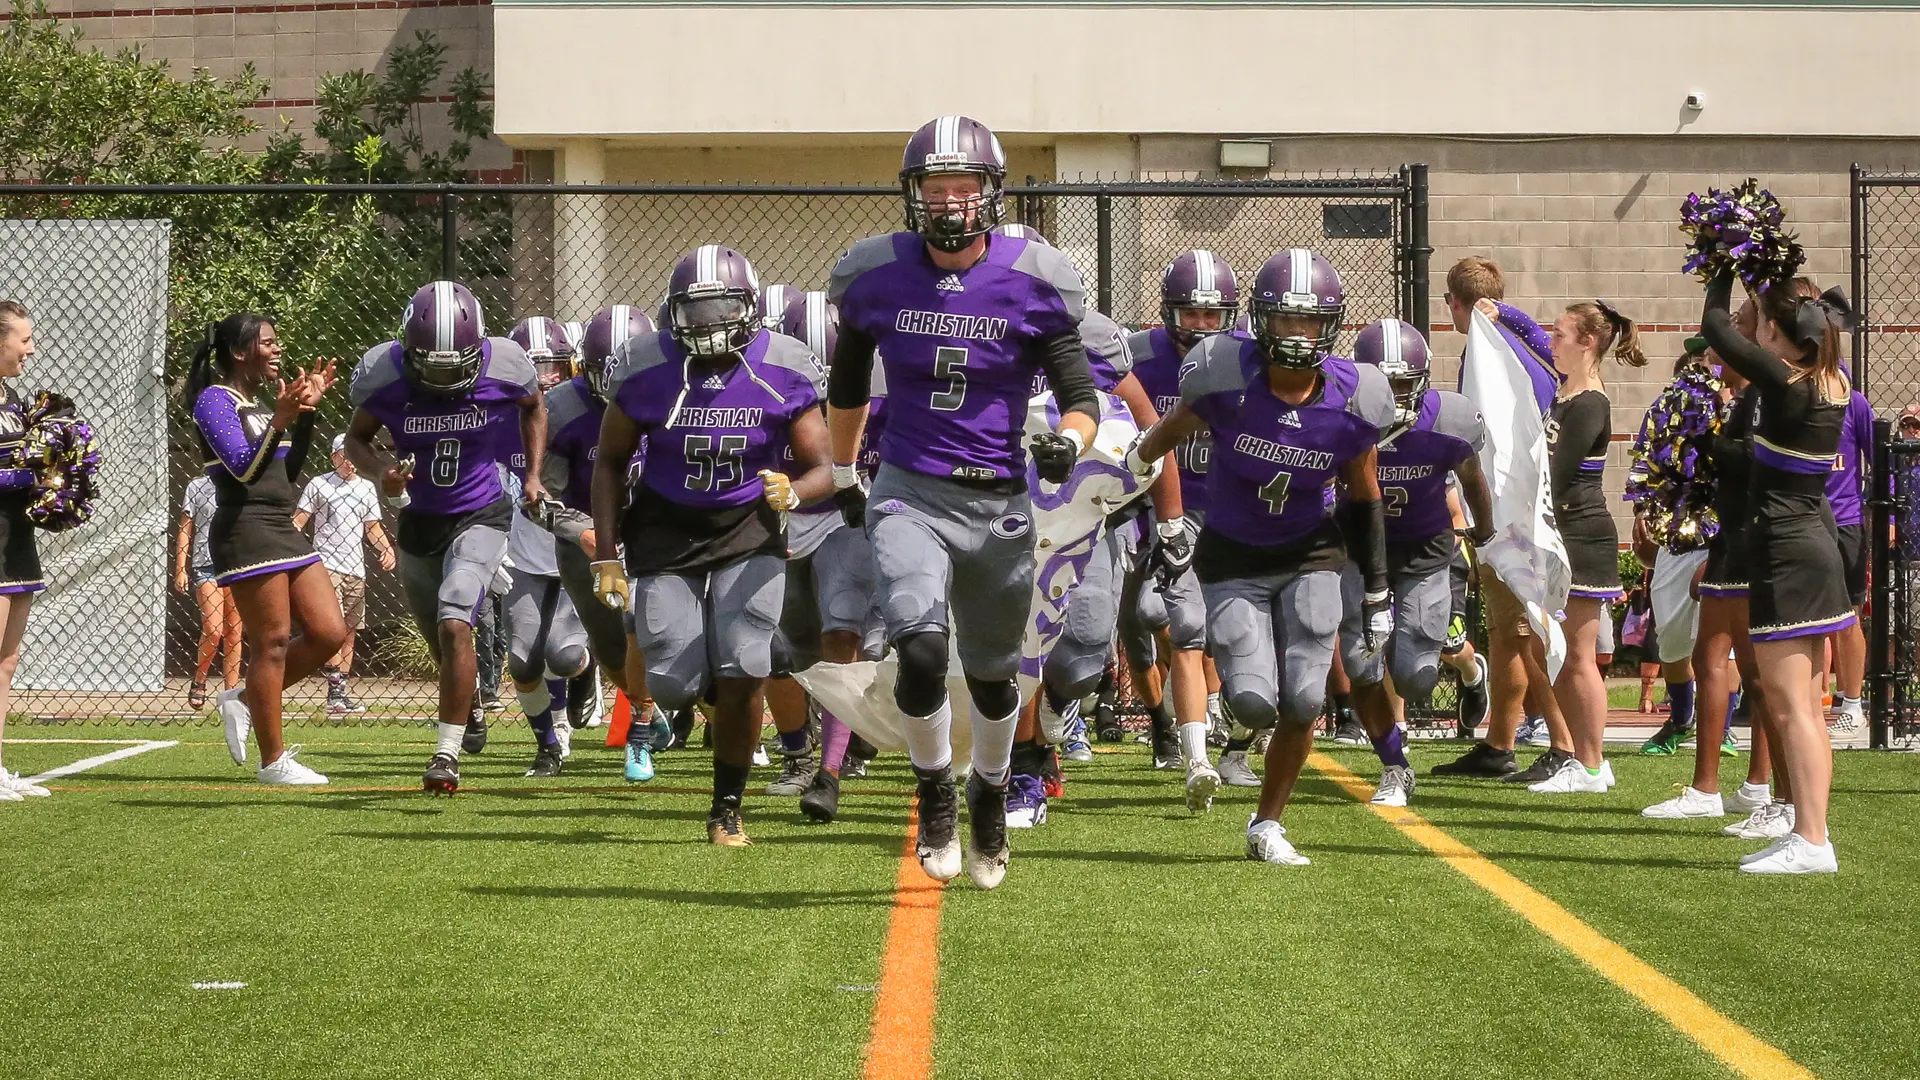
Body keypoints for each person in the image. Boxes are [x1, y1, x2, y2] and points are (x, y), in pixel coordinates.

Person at [826, 115, 1100, 888]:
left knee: (991, 675)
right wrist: (846, 472)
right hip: (910, 490)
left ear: (991, 195)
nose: (949, 203)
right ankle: (933, 786)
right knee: (917, 646)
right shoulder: (877, 275)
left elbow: (1080, 397)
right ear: (912, 195)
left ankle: (988, 790)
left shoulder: (1032, 278)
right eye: (934, 189)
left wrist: (1070, 444)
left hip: (999, 500)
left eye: (963, 188)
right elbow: (846, 386)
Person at [1126, 248, 1394, 866]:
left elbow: (1365, 494)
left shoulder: (1354, 399)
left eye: (1310, 322)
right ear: (1260, 320)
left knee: (1304, 700)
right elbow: (1162, 437)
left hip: (1312, 553)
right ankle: (1234, 749)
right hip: (1232, 560)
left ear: (1331, 326)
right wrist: (1134, 472)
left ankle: (1266, 824)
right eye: (1285, 322)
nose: (1298, 337)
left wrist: (1377, 589)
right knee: (1252, 701)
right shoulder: (1225, 376)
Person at [590, 244, 831, 847]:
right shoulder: (645, 366)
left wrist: (795, 491)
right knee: (672, 681)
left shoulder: (783, 365)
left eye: (720, 309)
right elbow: (610, 461)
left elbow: (826, 464)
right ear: (673, 312)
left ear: (748, 308)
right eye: (694, 312)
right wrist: (606, 552)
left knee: (747, 663)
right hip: (666, 533)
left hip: (749, 531)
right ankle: (715, 696)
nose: (707, 325)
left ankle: (727, 808)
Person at [345, 280, 546, 795]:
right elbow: (357, 440)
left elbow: (534, 407)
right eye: (432, 366)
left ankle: (445, 755)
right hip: (418, 521)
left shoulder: (505, 365)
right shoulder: (385, 375)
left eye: (455, 365)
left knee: (457, 616)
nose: (444, 377)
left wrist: (532, 474)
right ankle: (471, 703)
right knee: (441, 634)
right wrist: (382, 472)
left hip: (482, 512)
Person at [1699, 265, 1853, 874]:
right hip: (1807, 544)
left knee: (1792, 706)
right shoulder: (1828, 379)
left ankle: (1813, 841)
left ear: (1774, 331)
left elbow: (1715, 327)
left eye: (1759, 322)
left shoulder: (1789, 383)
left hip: (1789, 552)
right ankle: (1808, 832)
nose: (1750, 333)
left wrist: (1721, 262)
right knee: (1801, 706)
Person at [1431, 260, 1580, 781]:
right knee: (1506, 633)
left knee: (1524, 631)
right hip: (1513, 510)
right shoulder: (1518, 350)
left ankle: (1566, 745)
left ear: (1455, 301)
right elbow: (1545, 354)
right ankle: (1499, 744)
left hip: (1507, 515)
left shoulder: (1494, 350)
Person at [1340, 317, 1493, 808]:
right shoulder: (1340, 416)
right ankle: (1394, 766)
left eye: (1402, 385)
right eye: (1382, 386)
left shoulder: (1448, 420)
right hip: (1358, 552)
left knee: (1415, 676)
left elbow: (1472, 480)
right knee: (1360, 664)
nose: (1393, 398)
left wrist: (1484, 531)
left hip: (1425, 551)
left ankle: (1471, 669)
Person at [189, 312, 347, 785]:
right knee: (272, 642)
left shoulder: (260, 404)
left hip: (281, 525)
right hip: (246, 529)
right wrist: (280, 419)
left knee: (329, 632)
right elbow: (242, 471)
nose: (277, 349)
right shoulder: (214, 401)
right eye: (268, 343)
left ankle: (241, 698)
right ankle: (273, 761)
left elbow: (288, 471)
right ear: (240, 352)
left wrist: (307, 415)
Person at [1643, 315, 1779, 825]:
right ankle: (1719, 788)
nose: (1709, 357)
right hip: (1732, 537)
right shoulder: (1741, 398)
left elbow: (1751, 462)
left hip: (1751, 537)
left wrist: (1709, 436)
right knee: (1712, 658)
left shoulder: (1762, 396)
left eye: (1719, 347)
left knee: (1757, 671)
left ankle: (1763, 788)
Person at [1122, 250, 1240, 796]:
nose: (1201, 324)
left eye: (1212, 314)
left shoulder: (1244, 362)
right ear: (1170, 311)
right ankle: (1192, 704)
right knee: (1148, 611)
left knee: (1218, 622)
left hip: (1224, 512)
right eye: (1191, 313)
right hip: (1153, 509)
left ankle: (1215, 711)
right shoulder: (1140, 358)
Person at [538, 304, 670, 782]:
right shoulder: (562, 409)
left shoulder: (673, 389)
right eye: (601, 373)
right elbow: (541, 495)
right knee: (612, 647)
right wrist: (582, 531)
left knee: (656, 632)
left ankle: (651, 724)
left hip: (654, 529)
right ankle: (647, 715)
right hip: (586, 540)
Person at [771, 292, 888, 823]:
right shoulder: (768, 386)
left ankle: (829, 770)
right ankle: (806, 746)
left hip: (851, 515)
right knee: (793, 645)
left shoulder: (881, 385)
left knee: (843, 630)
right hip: (791, 520)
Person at [1527, 300, 1646, 794]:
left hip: (1581, 535)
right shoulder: (1566, 387)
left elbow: (1555, 473)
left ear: (1587, 343)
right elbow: (1531, 339)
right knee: (1546, 648)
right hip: (1562, 532)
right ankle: (1581, 755)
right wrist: (1501, 314)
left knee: (1575, 654)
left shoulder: (1589, 402)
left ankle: (1592, 764)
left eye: (1561, 336)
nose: (1551, 343)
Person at [497, 314, 599, 778]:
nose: (547, 376)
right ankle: (548, 745)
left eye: (555, 363)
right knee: (522, 659)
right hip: (523, 553)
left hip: (573, 547)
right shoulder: (500, 418)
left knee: (564, 655)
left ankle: (586, 670)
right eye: (535, 365)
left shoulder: (584, 414)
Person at [294, 434, 395, 714]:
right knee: (334, 629)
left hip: (355, 568)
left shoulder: (365, 488)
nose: (349, 461)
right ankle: (335, 690)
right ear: (333, 457)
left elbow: (372, 527)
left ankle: (340, 692)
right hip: (327, 566)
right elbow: (299, 520)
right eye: (343, 455)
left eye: (352, 455)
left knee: (350, 631)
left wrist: (386, 549)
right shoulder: (319, 484)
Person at [0, 301, 56, 800]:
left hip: (16, 536)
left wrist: (59, 481)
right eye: (24, 339)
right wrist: (25, 475)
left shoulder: (12, 396)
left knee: (8, 659)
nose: (31, 348)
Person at [174, 473, 241, 710]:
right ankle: (200, 678)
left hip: (236, 563)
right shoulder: (197, 485)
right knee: (213, 629)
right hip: (206, 565)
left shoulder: (240, 482)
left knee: (234, 632)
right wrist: (180, 567)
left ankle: (231, 695)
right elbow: (185, 528)